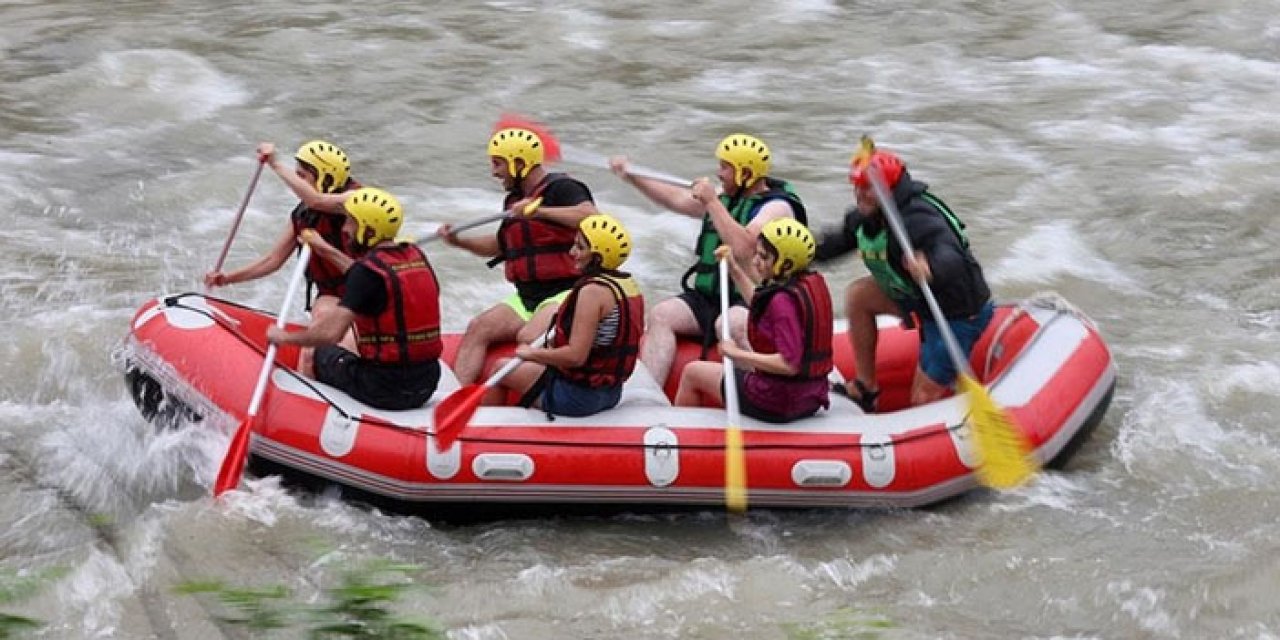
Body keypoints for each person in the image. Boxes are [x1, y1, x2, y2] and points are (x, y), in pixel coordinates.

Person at [609, 134, 806, 389]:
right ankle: (648, 395)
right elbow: (675, 199)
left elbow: (745, 248)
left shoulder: (777, 208)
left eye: (725, 167)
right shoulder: (728, 198)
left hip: (753, 298)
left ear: (745, 173)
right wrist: (632, 176)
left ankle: (761, 391)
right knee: (662, 315)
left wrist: (712, 201)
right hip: (711, 297)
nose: (719, 172)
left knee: (730, 323)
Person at [813, 145, 994, 412]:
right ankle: (866, 387)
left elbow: (950, 254)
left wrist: (930, 266)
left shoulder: (917, 218)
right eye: (856, 187)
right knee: (859, 295)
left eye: (867, 188)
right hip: (917, 300)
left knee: (921, 398)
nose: (859, 194)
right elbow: (832, 246)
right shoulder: (865, 218)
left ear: (888, 190)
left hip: (954, 314)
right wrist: (796, 251)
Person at [439, 127, 598, 384]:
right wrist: (460, 242)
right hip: (528, 297)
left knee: (527, 336)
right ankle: (453, 399)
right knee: (478, 328)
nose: (494, 172)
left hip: (568, 293)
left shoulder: (562, 188)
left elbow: (592, 217)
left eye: (498, 163)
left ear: (520, 163)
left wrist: (541, 212)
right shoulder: (515, 199)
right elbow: (502, 246)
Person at [267, 188, 443, 411]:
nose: (345, 229)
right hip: (427, 381)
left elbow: (330, 334)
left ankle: (306, 414)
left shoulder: (368, 275)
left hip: (384, 388)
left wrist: (283, 337)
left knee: (314, 352)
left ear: (368, 231)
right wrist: (325, 249)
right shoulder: (415, 256)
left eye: (350, 222)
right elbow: (366, 278)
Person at [483, 214, 645, 417]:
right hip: (610, 392)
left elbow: (576, 357)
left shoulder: (592, 292)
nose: (572, 252)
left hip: (579, 398)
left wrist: (532, 354)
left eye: (580, 247)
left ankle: (482, 429)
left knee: (500, 369)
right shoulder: (627, 285)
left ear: (597, 257)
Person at [674, 218, 832, 423]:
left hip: (778, 400)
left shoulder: (782, 302)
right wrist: (733, 267)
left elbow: (789, 364)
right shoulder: (805, 284)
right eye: (757, 253)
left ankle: (681, 438)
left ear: (785, 263)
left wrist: (736, 353)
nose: (756, 261)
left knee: (693, 372)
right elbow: (760, 304)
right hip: (811, 395)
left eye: (764, 257)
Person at [206, 141, 364, 314]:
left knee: (347, 328)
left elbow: (317, 200)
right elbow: (272, 260)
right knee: (323, 312)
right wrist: (227, 279)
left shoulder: (355, 199)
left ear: (326, 178)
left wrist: (274, 163)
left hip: (368, 289)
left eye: (301, 176)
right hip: (333, 294)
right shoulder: (303, 215)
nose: (297, 183)